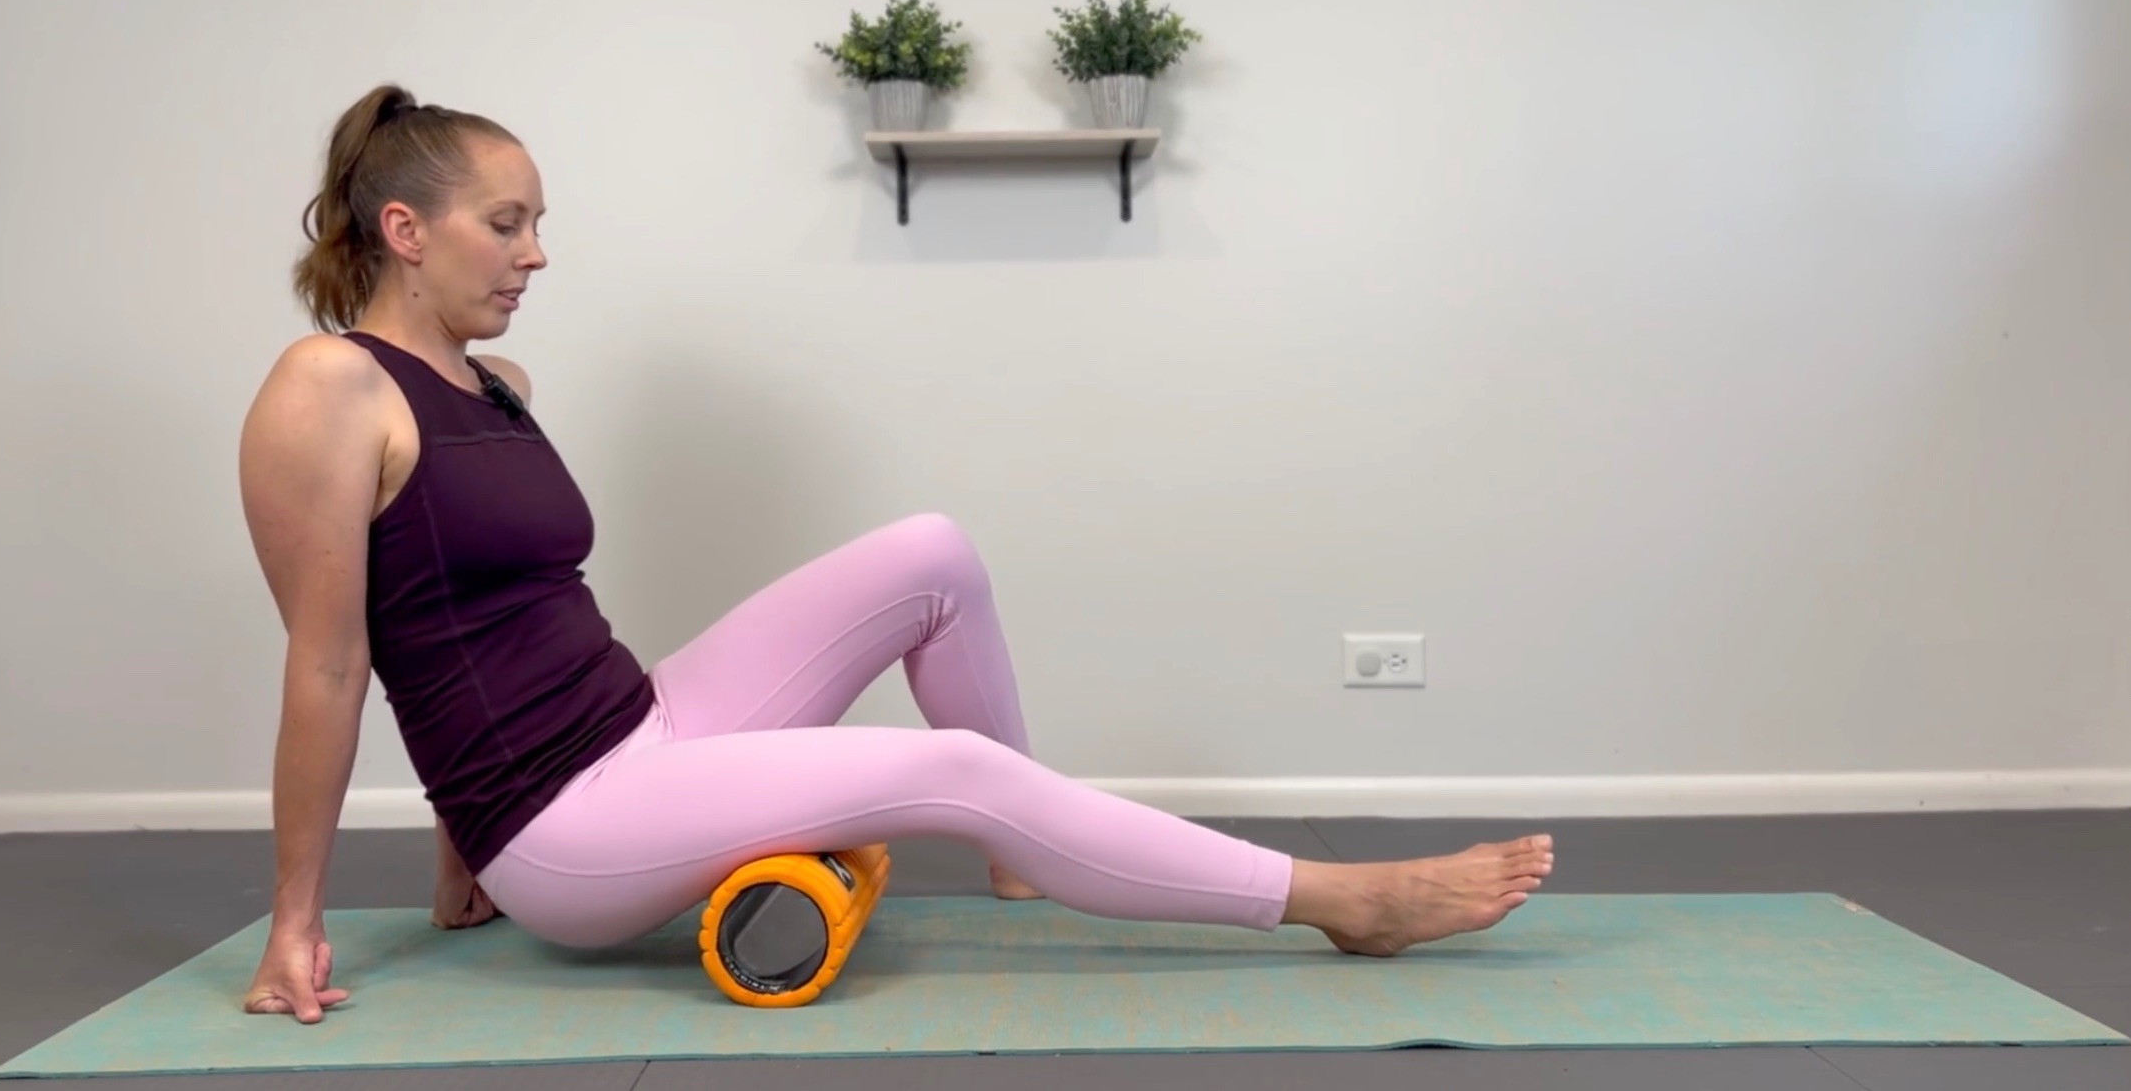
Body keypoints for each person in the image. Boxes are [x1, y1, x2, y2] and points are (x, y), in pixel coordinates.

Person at [236, 84, 1557, 1024]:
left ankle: (1024, 845)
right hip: (564, 826)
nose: (538, 252)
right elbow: (335, 664)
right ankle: (1340, 898)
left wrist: (450, 855)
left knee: (931, 554)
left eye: (537, 221)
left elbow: (479, 609)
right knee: (950, 768)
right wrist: (306, 916)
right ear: (406, 231)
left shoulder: (497, 383)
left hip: (637, 725)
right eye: (507, 222)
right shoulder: (326, 389)